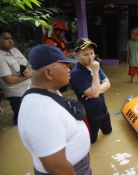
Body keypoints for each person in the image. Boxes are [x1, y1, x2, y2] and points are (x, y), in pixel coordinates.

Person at [18, 44, 92, 175]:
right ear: (48, 73)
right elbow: (56, 167)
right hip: (72, 169)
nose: (70, 68)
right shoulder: (40, 112)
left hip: (77, 165)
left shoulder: (47, 90)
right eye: (65, 65)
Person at [70, 38, 112, 144]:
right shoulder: (76, 73)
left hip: (103, 109)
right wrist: (95, 73)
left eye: (92, 53)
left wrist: (95, 91)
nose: (90, 57)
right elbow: (96, 93)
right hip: (90, 115)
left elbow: (108, 83)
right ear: (76, 55)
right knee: (92, 140)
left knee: (108, 132)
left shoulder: (94, 66)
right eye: (85, 54)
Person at [0, 28, 31, 125]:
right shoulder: (0, 57)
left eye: (11, 38)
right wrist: (28, 76)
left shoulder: (15, 50)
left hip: (29, 88)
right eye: (6, 38)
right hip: (16, 93)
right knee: (20, 119)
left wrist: (29, 71)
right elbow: (9, 80)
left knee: (30, 116)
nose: (10, 41)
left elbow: (28, 64)